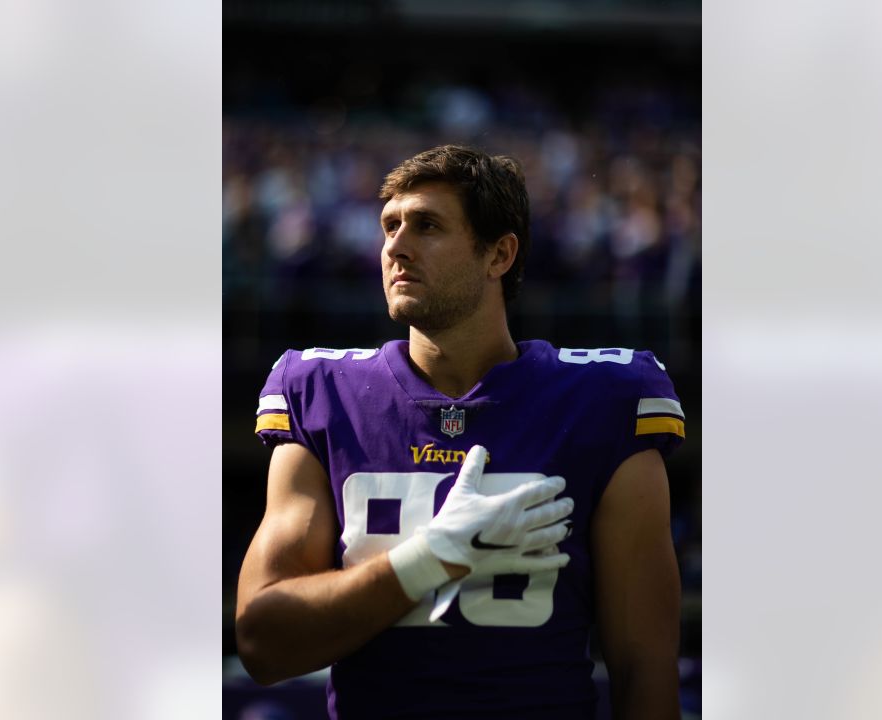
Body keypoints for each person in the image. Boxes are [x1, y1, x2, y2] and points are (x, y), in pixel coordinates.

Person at [236, 145, 686, 719]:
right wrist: (427, 560)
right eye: (389, 226)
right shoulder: (323, 390)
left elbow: (643, 667)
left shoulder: (604, 400)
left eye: (427, 225)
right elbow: (262, 641)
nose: (396, 246)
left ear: (499, 254)